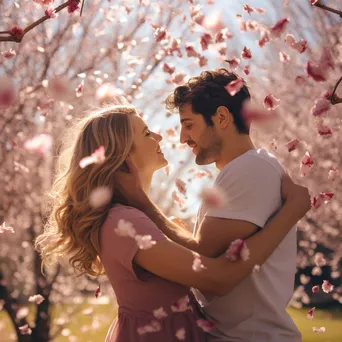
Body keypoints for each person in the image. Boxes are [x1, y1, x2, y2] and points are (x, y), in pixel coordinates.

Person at [35, 104, 311, 342]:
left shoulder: (129, 217)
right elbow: (218, 278)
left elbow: (197, 256)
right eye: (145, 133)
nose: (158, 135)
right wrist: (291, 213)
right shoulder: (124, 223)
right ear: (123, 155)